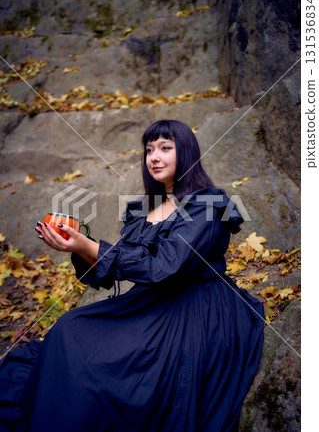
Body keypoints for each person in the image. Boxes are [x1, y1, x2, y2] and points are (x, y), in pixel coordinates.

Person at [0, 120, 264, 431]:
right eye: (149, 150)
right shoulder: (146, 209)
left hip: (194, 307)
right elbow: (113, 272)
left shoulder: (206, 204)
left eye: (166, 148)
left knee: (101, 366)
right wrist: (80, 247)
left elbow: (165, 268)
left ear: (187, 153)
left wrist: (93, 247)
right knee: (69, 327)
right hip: (150, 301)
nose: (154, 157)